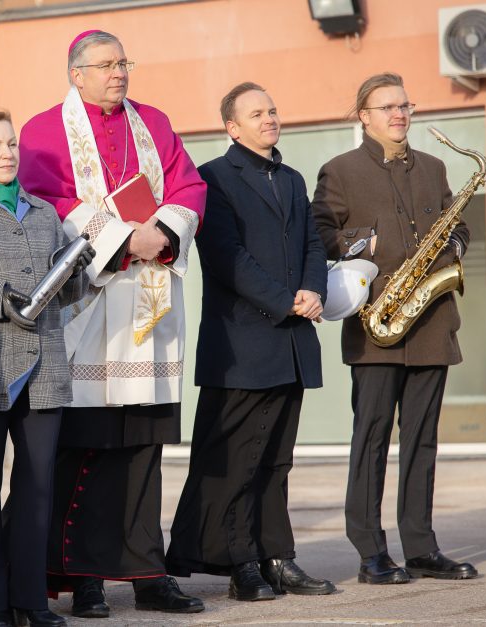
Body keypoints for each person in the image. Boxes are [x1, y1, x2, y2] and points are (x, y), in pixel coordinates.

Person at [19, 30, 206, 617]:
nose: (118, 73)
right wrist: (129, 240)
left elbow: (189, 184)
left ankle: (147, 571)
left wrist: (164, 234)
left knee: (145, 443)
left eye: (123, 62)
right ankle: (84, 574)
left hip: (149, 309)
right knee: (90, 446)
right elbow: (50, 197)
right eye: (105, 65)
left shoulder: (153, 120)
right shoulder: (44, 129)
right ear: (76, 74)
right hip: (89, 307)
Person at [164, 82, 335, 601]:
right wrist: (285, 300)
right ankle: (241, 564)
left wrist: (313, 290)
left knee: (277, 459)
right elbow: (225, 256)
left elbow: (311, 242)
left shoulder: (292, 177)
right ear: (232, 127)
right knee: (237, 460)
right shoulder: (213, 178)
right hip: (241, 346)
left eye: (273, 110)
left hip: (290, 344)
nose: (269, 119)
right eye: (256, 113)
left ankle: (277, 557)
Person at [311, 72, 477, 584]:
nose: (399, 114)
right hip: (375, 325)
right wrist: (370, 241)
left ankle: (422, 547)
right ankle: (370, 552)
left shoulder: (434, 166)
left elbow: (460, 225)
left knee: (423, 440)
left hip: (431, 322)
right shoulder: (338, 170)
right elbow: (322, 234)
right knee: (372, 439)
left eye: (404, 105)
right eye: (387, 107)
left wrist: (453, 251)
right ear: (364, 115)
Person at [0, 108, 94, 627]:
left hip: (44, 369)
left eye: (11, 145)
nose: (7, 154)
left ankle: (31, 600)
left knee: (36, 493)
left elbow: (65, 292)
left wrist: (82, 270)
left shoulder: (45, 213)